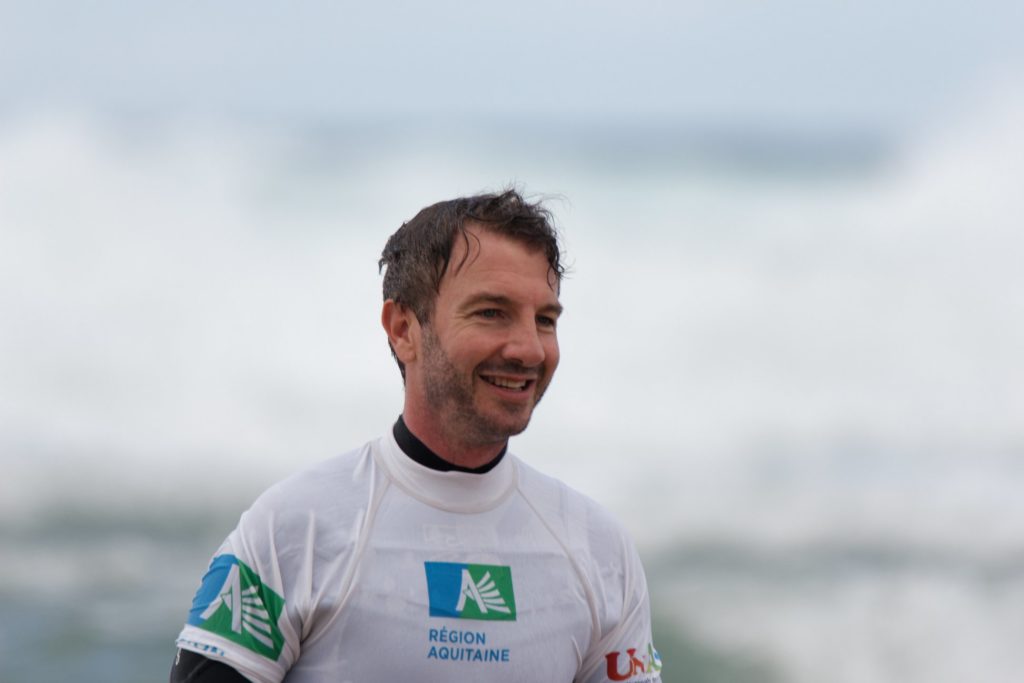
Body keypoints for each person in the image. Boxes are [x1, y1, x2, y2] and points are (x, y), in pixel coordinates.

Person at [170, 189, 663, 682]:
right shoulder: (293, 531)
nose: (529, 349)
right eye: (491, 312)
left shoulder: (599, 552)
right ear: (403, 328)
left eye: (545, 320)